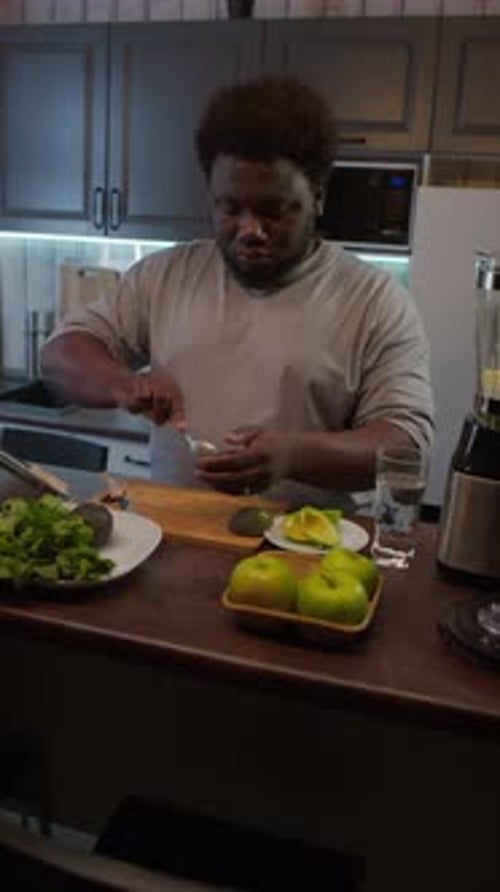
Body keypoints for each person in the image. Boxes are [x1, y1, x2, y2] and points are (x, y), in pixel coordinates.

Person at [41, 76, 433, 510]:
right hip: (175, 537)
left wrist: (291, 456)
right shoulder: (165, 276)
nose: (250, 230)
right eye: (231, 208)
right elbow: (60, 356)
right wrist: (122, 384)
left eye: (273, 210)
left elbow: (407, 446)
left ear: (318, 198)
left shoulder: (374, 301)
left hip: (312, 554)